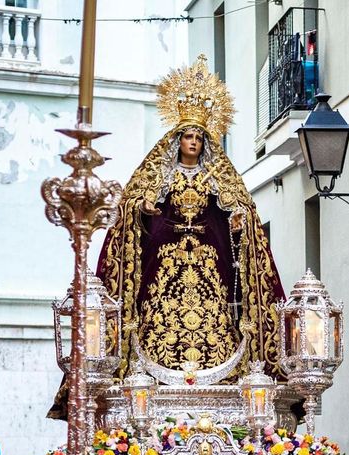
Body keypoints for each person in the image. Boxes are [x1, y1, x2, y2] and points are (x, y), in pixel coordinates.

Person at [96, 55, 284, 382]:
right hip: (165, 258)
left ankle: (220, 365)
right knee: (158, 304)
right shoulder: (160, 174)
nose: (194, 142)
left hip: (208, 260)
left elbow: (237, 213)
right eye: (188, 136)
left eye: (199, 137)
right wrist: (143, 207)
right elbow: (131, 207)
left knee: (215, 307)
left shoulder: (218, 177)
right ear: (178, 140)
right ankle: (149, 363)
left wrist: (236, 224)